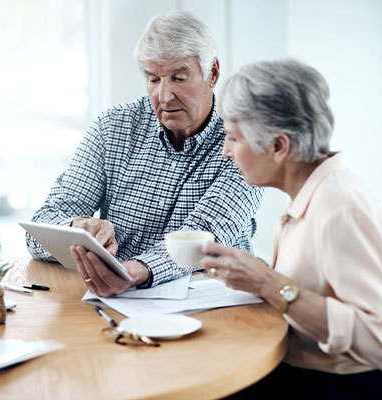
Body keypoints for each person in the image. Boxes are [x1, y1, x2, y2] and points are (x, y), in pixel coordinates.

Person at [201, 59, 382, 399]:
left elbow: (378, 342)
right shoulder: (308, 194)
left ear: (278, 146)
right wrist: (256, 274)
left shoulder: (340, 207)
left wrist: (269, 283)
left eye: (232, 138)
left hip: (355, 387)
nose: (226, 152)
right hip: (313, 374)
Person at [26, 11, 262, 296]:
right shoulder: (113, 128)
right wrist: (78, 229)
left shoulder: (242, 138)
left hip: (214, 303)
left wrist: (137, 271)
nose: (164, 96)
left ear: (212, 73)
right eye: (153, 80)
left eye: (178, 78)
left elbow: (203, 239)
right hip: (118, 300)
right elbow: (41, 229)